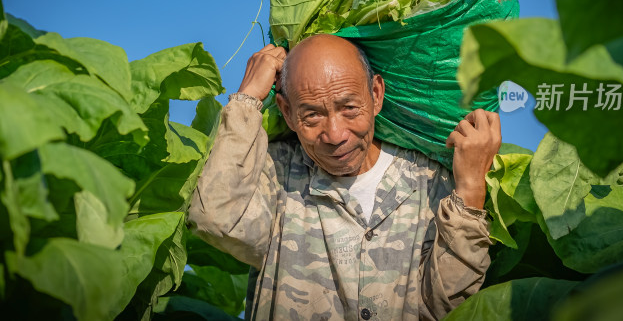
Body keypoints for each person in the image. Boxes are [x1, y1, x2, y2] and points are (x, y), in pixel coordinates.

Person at [188, 34, 501, 320]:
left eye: (349, 108)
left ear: (376, 94)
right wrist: (247, 99)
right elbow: (215, 217)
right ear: (286, 112)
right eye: (312, 115)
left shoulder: (431, 180)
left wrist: (471, 187)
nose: (335, 135)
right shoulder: (276, 174)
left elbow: (449, 307)